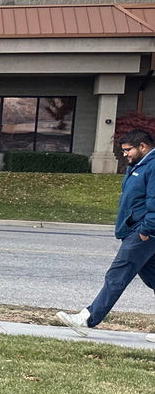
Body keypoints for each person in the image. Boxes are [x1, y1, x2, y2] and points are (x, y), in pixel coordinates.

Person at [56, 129, 155, 341]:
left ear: (143, 147)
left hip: (143, 232)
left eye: (128, 150)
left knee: (117, 275)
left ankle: (87, 319)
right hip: (137, 230)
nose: (125, 154)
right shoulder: (139, 165)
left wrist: (145, 231)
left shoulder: (153, 166)